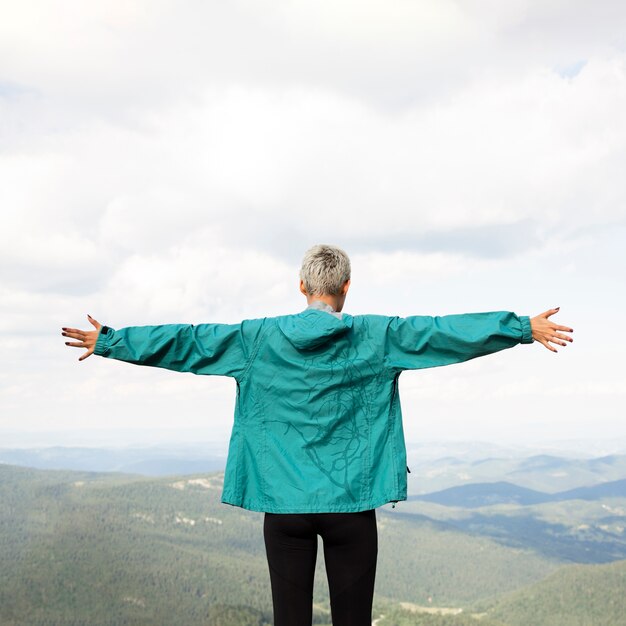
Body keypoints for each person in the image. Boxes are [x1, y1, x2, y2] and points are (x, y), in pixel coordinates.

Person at [62, 244, 573, 626]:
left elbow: (188, 342)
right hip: (352, 508)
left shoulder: (254, 339)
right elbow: (440, 331)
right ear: (347, 288)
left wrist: (111, 341)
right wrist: (521, 328)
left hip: (284, 510)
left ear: (300, 287)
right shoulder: (378, 335)